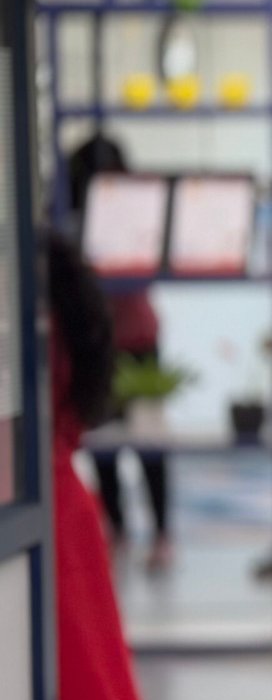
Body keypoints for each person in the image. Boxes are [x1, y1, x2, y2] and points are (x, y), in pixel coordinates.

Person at [45, 232, 169, 700]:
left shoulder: (42, 288)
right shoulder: (56, 279)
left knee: (87, 688)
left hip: (55, 515)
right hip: (62, 507)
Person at [66, 134, 172, 571]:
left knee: (148, 440)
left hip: (137, 340)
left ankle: (160, 534)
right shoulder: (74, 218)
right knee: (105, 442)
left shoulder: (134, 212)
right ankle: (120, 529)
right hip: (97, 342)